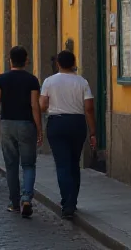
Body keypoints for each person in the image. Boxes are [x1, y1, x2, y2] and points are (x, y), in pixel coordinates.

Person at [40, 50, 96, 219]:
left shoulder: (49, 81)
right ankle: (73, 200)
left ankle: (67, 203)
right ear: (73, 63)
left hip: (56, 123)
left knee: (62, 164)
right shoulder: (82, 82)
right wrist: (93, 130)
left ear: (58, 63)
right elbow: (89, 108)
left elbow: (42, 105)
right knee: (74, 163)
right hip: (77, 123)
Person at [0, 45, 42, 218]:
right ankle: (26, 197)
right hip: (27, 124)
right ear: (26, 60)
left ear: (10, 60)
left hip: (6, 124)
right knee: (28, 164)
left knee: (11, 165)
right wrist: (39, 128)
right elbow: (35, 105)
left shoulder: (1, 79)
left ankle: (14, 203)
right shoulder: (32, 80)